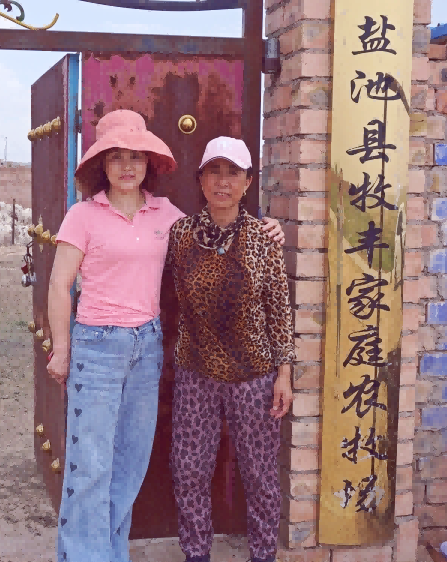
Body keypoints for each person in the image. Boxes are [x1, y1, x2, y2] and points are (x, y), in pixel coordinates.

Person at [46, 110, 285, 562]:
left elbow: (217, 230)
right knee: (89, 466)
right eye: (116, 157)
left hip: (146, 348)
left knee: (130, 463)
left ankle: (110, 553)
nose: (127, 166)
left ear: (148, 163)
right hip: (97, 347)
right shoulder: (83, 215)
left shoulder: (167, 215)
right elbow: (60, 286)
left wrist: (269, 226)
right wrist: (62, 349)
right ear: (102, 165)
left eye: (135, 157)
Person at [166, 136, 295, 562]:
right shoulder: (181, 234)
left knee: (259, 475)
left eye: (233, 173)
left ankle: (263, 554)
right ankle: (196, 553)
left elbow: (279, 309)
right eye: (214, 172)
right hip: (195, 372)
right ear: (201, 179)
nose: (223, 182)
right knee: (188, 470)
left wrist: (283, 375)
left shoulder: (263, 237)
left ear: (248, 182)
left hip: (254, 376)